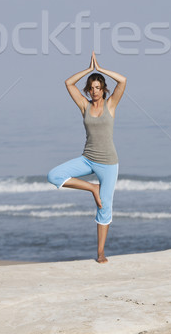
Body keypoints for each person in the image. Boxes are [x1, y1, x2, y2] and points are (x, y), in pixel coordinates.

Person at [47, 51, 126, 263]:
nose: (94, 91)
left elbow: (123, 80)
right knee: (54, 175)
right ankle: (93, 188)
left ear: (104, 89)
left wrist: (100, 69)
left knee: (104, 207)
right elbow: (68, 83)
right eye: (91, 88)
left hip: (108, 163)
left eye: (98, 88)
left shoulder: (111, 105)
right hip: (87, 158)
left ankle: (100, 252)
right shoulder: (84, 105)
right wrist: (88, 70)